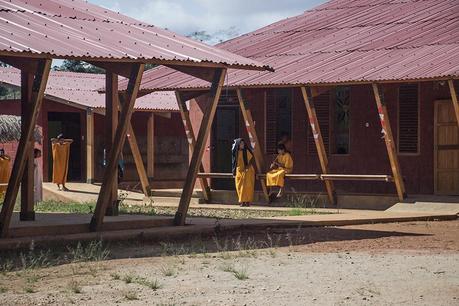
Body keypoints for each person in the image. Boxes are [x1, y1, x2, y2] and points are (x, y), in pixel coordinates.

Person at [232, 138, 255, 207]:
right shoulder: (235, 152)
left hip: (248, 171)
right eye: (241, 144)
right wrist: (233, 172)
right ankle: (242, 201)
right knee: (239, 186)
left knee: (248, 187)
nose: (242, 145)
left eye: (243, 143)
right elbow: (234, 163)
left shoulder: (246, 151)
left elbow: (251, 159)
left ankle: (247, 201)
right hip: (239, 171)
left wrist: (247, 166)